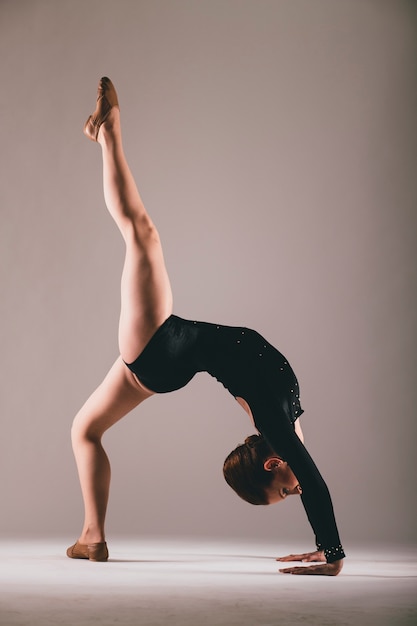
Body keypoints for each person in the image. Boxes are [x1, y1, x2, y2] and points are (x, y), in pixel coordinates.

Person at [66, 77, 345, 575]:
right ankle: (92, 536)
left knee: (141, 234)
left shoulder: (274, 424)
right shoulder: (287, 422)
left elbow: (310, 475)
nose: (296, 486)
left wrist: (330, 549)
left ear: (272, 462)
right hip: (167, 356)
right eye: (288, 493)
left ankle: (110, 133)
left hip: (161, 346)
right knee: (84, 429)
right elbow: (313, 475)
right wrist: (331, 552)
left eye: (287, 489)